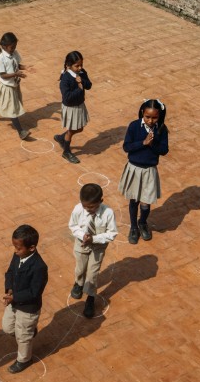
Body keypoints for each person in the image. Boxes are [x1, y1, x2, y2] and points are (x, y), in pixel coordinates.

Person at [118, 99, 169, 244]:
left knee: (146, 203)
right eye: (147, 117)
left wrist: (152, 144)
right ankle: (133, 227)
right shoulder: (134, 126)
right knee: (134, 200)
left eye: (154, 117)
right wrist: (143, 143)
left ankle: (142, 222)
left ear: (159, 116)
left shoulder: (161, 130)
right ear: (142, 113)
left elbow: (164, 150)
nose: (150, 120)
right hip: (134, 169)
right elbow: (126, 147)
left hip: (149, 171)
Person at [1, 225, 48, 373]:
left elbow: (34, 292)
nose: (15, 250)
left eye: (18, 247)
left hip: (28, 308)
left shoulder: (39, 267)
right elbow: (9, 272)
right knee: (7, 327)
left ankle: (24, 359)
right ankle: (29, 332)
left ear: (32, 247)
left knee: (22, 337)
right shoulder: (17, 255)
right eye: (14, 246)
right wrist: (9, 289)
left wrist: (14, 297)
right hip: (14, 302)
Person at [68, 184, 118, 318]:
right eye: (86, 206)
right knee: (80, 268)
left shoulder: (108, 213)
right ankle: (78, 283)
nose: (88, 209)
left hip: (98, 247)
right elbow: (72, 226)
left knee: (93, 273)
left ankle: (90, 297)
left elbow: (112, 233)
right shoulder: (78, 210)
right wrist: (82, 235)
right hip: (81, 245)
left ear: (101, 201)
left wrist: (94, 239)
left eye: (92, 207)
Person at [0, 32, 30, 140]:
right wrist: (15, 74)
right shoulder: (0, 59)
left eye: (15, 47)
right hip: (6, 86)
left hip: (14, 85)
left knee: (2, 103)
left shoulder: (14, 53)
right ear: (4, 46)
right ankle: (21, 132)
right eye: (12, 47)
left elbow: (17, 64)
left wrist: (26, 67)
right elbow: (3, 75)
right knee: (11, 109)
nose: (14, 49)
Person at [54, 51, 92, 164]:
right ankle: (66, 152)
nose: (80, 68)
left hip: (80, 104)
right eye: (77, 66)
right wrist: (79, 88)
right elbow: (67, 97)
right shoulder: (65, 79)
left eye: (81, 65)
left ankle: (62, 137)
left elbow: (89, 85)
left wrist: (83, 82)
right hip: (71, 108)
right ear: (68, 65)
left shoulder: (82, 72)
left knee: (80, 128)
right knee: (71, 130)